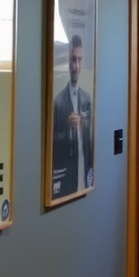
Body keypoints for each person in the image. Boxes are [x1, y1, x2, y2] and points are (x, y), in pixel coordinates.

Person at [52, 34, 93, 198]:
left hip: (85, 177)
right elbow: (53, 144)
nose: (76, 66)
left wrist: (84, 125)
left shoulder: (87, 98)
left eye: (79, 60)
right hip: (67, 180)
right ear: (67, 62)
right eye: (73, 60)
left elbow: (91, 141)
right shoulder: (58, 102)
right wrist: (67, 128)